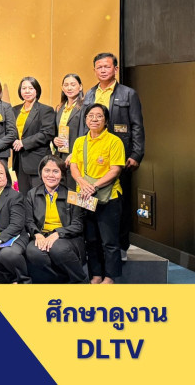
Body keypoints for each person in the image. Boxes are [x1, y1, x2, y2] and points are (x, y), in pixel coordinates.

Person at [81, 53, 144, 259]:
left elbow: (137, 125)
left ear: (115, 69)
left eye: (107, 66)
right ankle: (95, 247)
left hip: (120, 156)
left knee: (119, 203)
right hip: (93, 156)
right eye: (99, 67)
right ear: (94, 70)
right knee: (92, 202)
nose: (103, 70)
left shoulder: (128, 94)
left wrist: (136, 153)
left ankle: (121, 246)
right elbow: (83, 126)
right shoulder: (89, 94)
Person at [69, 103, 125, 284]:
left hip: (109, 198)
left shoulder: (114, 141)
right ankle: (96, 275)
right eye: (90, 115)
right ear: (85, 119)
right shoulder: (79, 142)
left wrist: (94, 186)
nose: (94, 119)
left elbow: (115, 170)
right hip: (85, 197)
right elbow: (74, 166)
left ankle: (110, 277)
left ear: (106, 120)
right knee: (91, 239)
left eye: (99, 116)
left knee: (109, 241)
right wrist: (82, 183)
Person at [25, 155, 87, 284]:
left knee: (57, 248)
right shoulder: (32, 194)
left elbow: (77, 225)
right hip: (42, 236)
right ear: (41, 172)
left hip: (66, 238)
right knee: (33, 251)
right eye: (47, 170)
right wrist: (37, 234)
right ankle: (61, 281)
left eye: (55, 171)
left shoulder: (72, 195)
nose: (51, 175)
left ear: (62, 174)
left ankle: (80, 280)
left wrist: (58, 233)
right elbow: (29, 221)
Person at [12, 77, 56, 195]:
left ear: (37, 90)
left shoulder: (45, 110)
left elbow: (47, 133)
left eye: (30, 88)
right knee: (24, 197)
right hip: (19, 162)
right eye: (24, 88)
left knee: (39, 197)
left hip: (37, 161)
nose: (27, 91)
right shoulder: (15, 110)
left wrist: (23, 143)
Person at [53, 73, 84, 189]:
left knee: (74, 191)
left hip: (76, 156)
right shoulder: (60, 108)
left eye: (73, 84)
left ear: (80, 87)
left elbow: (86, 134)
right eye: (66, 85)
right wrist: (54, 140)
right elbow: (55, 131)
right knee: (61, 190)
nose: (69, 88)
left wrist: (75, 154)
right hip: (61, 155)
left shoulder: (85, 107)